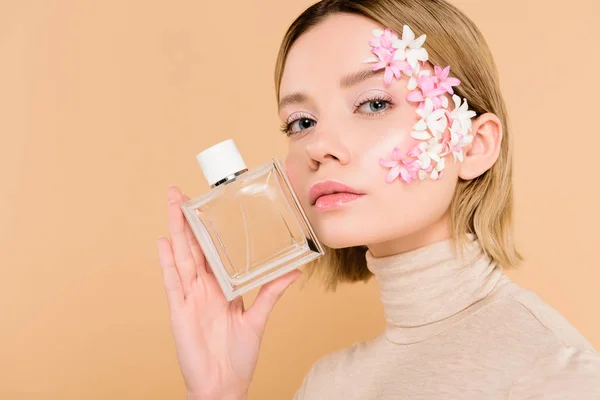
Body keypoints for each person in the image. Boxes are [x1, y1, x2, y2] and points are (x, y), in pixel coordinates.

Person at [156, 0, 600, 399]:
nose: (318, 146)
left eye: (372, 104)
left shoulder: (553, 375)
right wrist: (218, 391)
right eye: (301, 121)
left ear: (472, 145)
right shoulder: (328, 385)